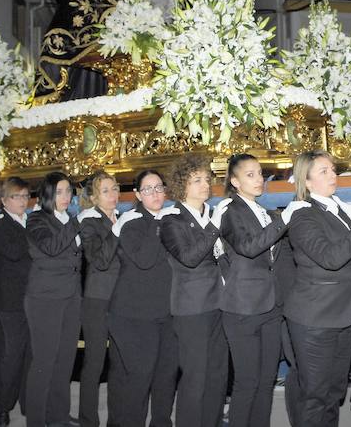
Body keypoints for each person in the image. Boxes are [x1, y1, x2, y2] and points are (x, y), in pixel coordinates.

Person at [217, 154, 308, 427]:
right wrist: (284, 220)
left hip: (271, 306)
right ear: (234, 181)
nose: (259, 179)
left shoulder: (265, 212)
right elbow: (248, 247)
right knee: (247, 381)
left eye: (259, 173)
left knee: (267, 378)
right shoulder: (229, 210)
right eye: (250, 175)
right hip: (242, 307)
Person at [283, 150, 351, 427]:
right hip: (314, 318)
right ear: (306, 182)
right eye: (323, 171)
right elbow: (331, 258)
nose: (333, 175)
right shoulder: (302, 214)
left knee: (334, 391)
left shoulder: (340, 208)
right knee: (315, 394)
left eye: (333, 169)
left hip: (343, 311)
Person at [158, 154, 228, 427]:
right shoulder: (172, 219)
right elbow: (189, 257)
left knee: (217, 375)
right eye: (196, 180)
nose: (205, 185)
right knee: (195, 377)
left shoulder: (211, 214)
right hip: (192, 309)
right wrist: (214, 226)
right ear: (181, 185)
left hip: (219, 303)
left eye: (206, 179)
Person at [107, 169, 178, 427]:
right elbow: (145, 259)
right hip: (133, 315)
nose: (155, 193)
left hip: (165, 312)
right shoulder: (132, 222)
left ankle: (161, 422)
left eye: (159, 187)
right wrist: (160, 222)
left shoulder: (170, 218)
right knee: (139, 378)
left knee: (166, 375)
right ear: (137, 194)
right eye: (147, 189)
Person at [24, 172, 82, 427]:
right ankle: (36, 420)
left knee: (65, 360)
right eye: (59, 191)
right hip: (45, 299)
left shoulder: (67, 218)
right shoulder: (36, 219)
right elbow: (51, 247)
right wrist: (76, 224)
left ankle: (57, 416)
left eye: (68, 191)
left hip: (70, 297)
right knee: (44, 362)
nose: (66, 196)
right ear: (47, 194)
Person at [78, 171, 121, 427]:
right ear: (94, 197)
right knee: (94, 363)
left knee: (119, 362)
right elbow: (101, 260)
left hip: (121, 300)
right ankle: (88, 420)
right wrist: (116, 229)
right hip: (97, 299)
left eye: (115, 189)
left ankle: (116, 417)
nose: (114, 194)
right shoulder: (89, 221)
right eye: (106, 191)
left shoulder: (119, 217)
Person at [0, 177, 32, 427]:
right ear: (4, 200)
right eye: (17, 196)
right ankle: (3, 406)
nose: (23, 201)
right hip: (11, 300)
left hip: (34, 299)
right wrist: (33, 233)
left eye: (25, 196)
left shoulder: (29, 222)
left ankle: (28, 404)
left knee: (31, 355)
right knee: (12, 354)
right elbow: (14, 252)